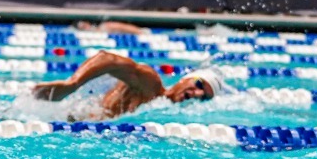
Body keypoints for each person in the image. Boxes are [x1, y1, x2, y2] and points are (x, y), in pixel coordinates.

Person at [31, 52, 219, 118]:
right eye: (199, 85)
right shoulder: (151, 84)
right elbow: (107, 58)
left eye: (204, 96)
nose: (197, 94)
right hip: (72, 119)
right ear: (185, 78)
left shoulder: (161, 107)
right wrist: (73, 84)